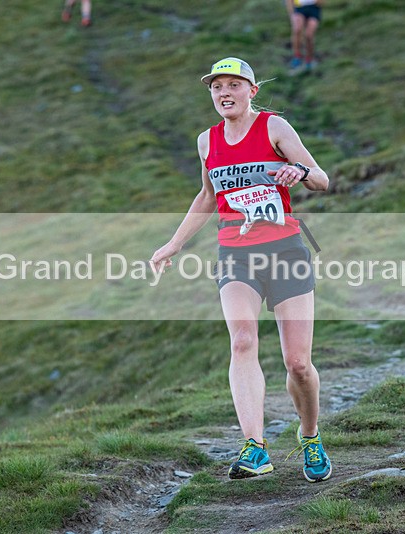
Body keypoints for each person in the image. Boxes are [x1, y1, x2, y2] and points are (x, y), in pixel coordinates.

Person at [150, 57, 332, 482]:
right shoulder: (206, 141)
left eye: (233, 85)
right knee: (243, 340)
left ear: (252, 90)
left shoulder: (274, 128)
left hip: (285, 251)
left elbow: (322, 178)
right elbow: (207, 197)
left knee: (298, 364)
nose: (224, 93)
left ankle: (310, 437)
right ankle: (255, 447)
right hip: (236, 255)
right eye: (216, 87)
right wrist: (173, 244)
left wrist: (300, 171)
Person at [285, 0, 322, 72]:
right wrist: (291, 13)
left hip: (313, 8)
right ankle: (297, 56)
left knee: (309, 35)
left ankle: (309, 60)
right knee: (297, 29)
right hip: (299, 7)